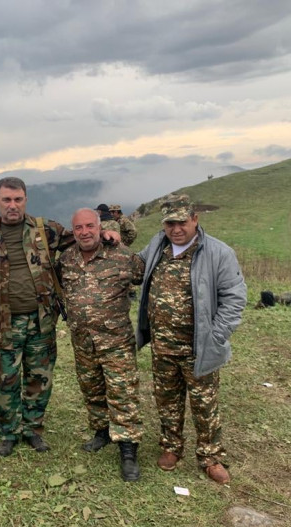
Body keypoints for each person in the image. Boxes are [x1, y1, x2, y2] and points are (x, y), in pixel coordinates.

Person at [136, 195, 246, 484]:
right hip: (162, 346)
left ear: (195, 219)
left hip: (199, 348)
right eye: (170, 223)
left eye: (182, 222)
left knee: (204, 404)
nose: (176, 229)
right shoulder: (157, 247)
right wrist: (111, 238)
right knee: (167, 400)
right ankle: (171, 447)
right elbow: (135, 268)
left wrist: (216, 336)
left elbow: (234, 298)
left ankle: (210, 457)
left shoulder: (217, 252)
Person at [0, 177, 78, 457]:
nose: (12, 205)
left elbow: (84, 237)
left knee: (39, 379)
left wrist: (110, 231)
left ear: (26, 200)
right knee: (6, 380)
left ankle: (33, 429)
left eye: (17, 199)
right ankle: (8, 432)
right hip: (4, 324)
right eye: (6, 200)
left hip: (42, 320)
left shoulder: (46, 230)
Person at [58, 208, 145, 481]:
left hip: (115, 341)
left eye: (89, 226)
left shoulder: (122, 256)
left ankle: (128, 449)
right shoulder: (66, 259)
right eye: (79, 228)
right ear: (73, 231)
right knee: (92, 388)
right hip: (83, 342)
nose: (84, 232)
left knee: (123, 393)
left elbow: (145, 275)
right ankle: (101, 431)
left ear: (100, 227)